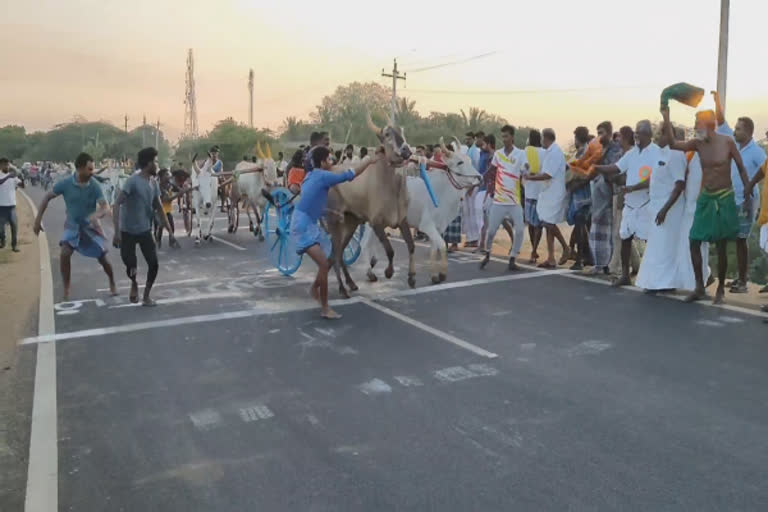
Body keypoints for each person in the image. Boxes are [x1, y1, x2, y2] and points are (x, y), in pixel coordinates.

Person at [662, 106, 751, 304]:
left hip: (724, 197)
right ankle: (699, 287)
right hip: (706, 198)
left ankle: (720, 289)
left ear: (709, 125)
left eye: (697, 123)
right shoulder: (698, 143)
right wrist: (666, 118)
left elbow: (741, 168)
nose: (694, 127)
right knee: (694, 240)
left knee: (720, 245)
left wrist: (747, 192)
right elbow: (673, 144)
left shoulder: (727, 142)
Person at [291, 146, 379, 319]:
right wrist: (368, 161)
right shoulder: (323, 176)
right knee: (324, 265)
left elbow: (312, 204)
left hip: (307, 222)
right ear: (322, 162)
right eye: (329, 160)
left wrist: (331, 213)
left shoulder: (311, 176)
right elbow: (350, 175)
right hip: (302, 226)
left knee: (328, 259)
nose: (331, 162)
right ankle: (325, 308)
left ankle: (315, 289)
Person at [33, 152, 117, 300]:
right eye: (89, 169)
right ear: (79, 168)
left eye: (93, 169)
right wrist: (37, 220)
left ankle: (112, 282)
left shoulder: (94, 185)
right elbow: (47, 197)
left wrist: (96, 216)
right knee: (65, 253)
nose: (92, 172)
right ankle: (66, 287)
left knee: (103, 258)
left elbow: (105, 207)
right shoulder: (65, 184)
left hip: (90, 228)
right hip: (72, 226)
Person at [712, 92, 767, 293]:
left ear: (749, 132)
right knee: (732, 238)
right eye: (735, 128)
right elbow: (721, 122)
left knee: (742, 240)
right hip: (730, 199)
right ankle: (737, 278)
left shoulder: (756, 151)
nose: (734, 130)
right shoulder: (733, 143)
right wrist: (717, 100)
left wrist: (751, 190)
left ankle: (743, 282)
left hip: (747, 201)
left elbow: (765, 170)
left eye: (738, 128)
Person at [595, 120, 659, 287]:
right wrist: (596, 167)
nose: (635, 135)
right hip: (630, 204)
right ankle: (625, 275)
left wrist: (633, 187)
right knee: (625, 237)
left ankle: (652, 276)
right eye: (635, 132)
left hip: (646, 202)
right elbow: (616, 168)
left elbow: (654, 179)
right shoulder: (631, 153)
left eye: (638, 132)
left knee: (649, 241)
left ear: (647, 134)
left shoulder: (656, 152)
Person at [112, 147, 176, 306]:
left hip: (145, 230)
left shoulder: (153, 183)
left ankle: (146, 295)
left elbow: (159, 207)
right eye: (155, 161)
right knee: (130, 264)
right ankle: (133, 282)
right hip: (127, 230)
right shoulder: (132, 181)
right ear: (148, 163)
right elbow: (117, 204)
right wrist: (117, 231)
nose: (157, 165)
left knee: (154, 263)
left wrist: (170, 231)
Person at [634, 124, 688, 292]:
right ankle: (655, 281)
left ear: (669, 135)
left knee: (666, 246)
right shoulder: (661, 153)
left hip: (670, 209)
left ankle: (665, 283)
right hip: (656, 207)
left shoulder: (676, 154)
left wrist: (665, 209)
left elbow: (679, 185)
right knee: (657, 246)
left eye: (660, 133)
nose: (656, 136)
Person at [480, 125, 528, 271]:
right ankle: (487, 253)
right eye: (503, 137)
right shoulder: (498, 154)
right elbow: (491, 170)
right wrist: (480, 178)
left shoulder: (520, 154)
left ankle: (513, 259)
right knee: (492, 231)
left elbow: (525, 168)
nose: (504, 139)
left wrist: (526, 170)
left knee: (519, 231)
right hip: (499, 201)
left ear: (512, 137)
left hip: (514, 201)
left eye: (507, 136)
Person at [527, 129, 569, 267]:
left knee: (548, 223)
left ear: (545, 139)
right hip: (547, 192)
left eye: (541, 138)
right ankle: (551, 258)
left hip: (554, 193)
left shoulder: (555, 152)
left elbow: (548, 175)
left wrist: (531, 177)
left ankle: (566, 248)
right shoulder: (549, 152)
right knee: (547, 224)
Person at [588, 121, 622, 274]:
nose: (599, 136)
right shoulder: (600, 148)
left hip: (611, 193)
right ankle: (602, 264)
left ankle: (603, 265)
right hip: (600, 193)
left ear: (609, 133)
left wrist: (598, 165)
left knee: (607, 232)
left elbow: (614, 170)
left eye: (601, 133)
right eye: (598, 133)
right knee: (604, 231)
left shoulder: (615, 149)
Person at [608, 126, 641, 276]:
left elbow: (626, 178)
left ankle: (615, 266)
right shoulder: (624, 154)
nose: (617, 139)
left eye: (620, 136)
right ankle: (636, 263)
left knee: (619, 233)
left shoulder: (633, 154)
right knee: (624, 231)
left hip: (627, 196)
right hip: (619, 195)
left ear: (626, 137)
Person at [566, 126, 594, 270]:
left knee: (580, 227)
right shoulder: (583, 152)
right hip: (582, 195)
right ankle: (587, 256)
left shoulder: (584, 153)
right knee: (582, 227)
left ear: (577, 138)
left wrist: (574, 185)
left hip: (582, 196)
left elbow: (586, 175)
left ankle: (580, 260)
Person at [523, 130, 546, 263]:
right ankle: (534, 249)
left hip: (530, 191)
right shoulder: (544, 152)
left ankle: (533, 249)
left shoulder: (527, 151)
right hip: (541, 192)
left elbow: (524, 168)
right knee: (538, 224)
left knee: (531, 224)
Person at [154, 168, 185, 248]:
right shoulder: (159, 186)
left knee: (171, 226)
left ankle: (171, 241)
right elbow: (166, 200)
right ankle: (158, 242)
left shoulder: (170, 184)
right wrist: (178, 195)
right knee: (159, 227)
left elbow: (179, 190)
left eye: (169, 174)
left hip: (167, 210)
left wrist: (183, 191)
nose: (170, 176)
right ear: (162, 176)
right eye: (167, 174)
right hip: (158, 210)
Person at [0, 158, 24, 252]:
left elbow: (22, 186)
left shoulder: (13, 177)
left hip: (11, 207)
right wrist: (8, 177)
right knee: (0, 229)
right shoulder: (2, 175)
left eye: (7, 164)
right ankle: (3, 240)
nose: (6, 166)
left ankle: (14, 246)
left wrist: (21, 177)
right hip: (1, 207)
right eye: (4, 164)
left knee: (14, 226)